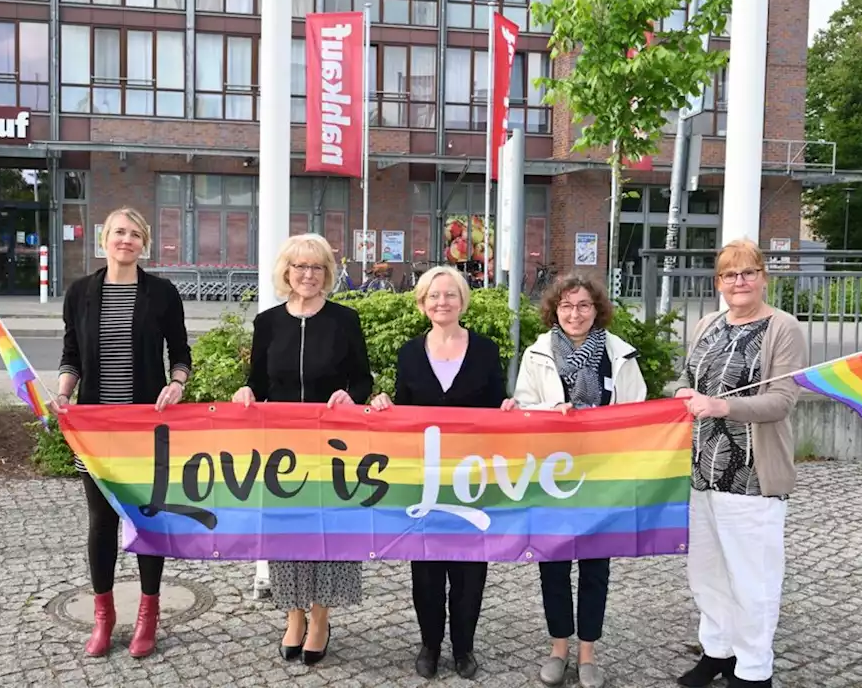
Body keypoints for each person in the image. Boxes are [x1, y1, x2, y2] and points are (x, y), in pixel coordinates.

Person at [50, 207, 192, 659]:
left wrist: (177, 383)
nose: (125, 240)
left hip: (145, 426)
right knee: (101, 522)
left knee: (147, 519)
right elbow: (71, 353)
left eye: (134, 234)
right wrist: (64, 394)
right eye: (118, 233)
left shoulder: (162, 293)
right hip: (94, 428)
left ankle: (148, 615)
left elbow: (181, 351)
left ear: (144, 243)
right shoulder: (80, 293)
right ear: (103, 239)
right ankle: (104, 618)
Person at [230, 232, 373, 667]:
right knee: (287, 530)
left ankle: (321, 617)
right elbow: (259, 380)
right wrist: (245, 391)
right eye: (299, 266)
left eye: (316, 267)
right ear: (287, 272)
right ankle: (293, 615)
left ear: (326, 272)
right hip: (281, 448)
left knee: (328, 530)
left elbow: (363, 380)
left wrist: (352, 397)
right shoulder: (268, 322)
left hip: (332, 446)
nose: (307, 274)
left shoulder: (344, 319)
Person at [501, 271, 647, 688]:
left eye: (583, 305)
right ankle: (558, 647)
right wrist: (551, 411)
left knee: (596, 565)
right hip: (552, 474)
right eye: (566, 305)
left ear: (596, 309)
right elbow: (528, 409)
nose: (575, 313)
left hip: (602, 475)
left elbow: (635, 411)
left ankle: (588, 651)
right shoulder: (538, 353)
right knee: (553, 562)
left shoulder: (619, 354)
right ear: (555, 310)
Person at [674, 239, 807, 688]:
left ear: (763, 278)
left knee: (753, 578)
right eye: (730, 274)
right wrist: (680, 392)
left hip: (751, 476)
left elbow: (782, 401)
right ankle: (718, 651)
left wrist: (722, 407)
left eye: (748, 272)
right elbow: (687, 377)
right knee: (707, 573)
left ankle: (753, 670)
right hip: (702, 473)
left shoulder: (782, 328)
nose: (740, 281)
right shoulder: (708, 323)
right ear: (719, 283)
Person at [370, 266, 504, 680]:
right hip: (423, 479)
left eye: (449, 295)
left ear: (463, 301)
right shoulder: (410, 352)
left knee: (469, 569)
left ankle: (464, 647)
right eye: (433, 296)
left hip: (472, 477)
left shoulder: (484, 350)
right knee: (425, 568)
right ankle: (430, 644)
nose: (441, 302)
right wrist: (383, 405)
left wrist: (509, 410)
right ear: (422, 303)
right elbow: (406, 411)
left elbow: (499, 407)